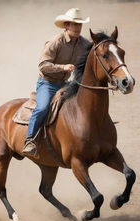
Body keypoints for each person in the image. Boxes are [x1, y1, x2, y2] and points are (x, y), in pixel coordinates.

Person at [22, 8, 90, 156]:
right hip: (47, 83)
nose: (78, 28)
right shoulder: (55, 42)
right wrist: (63, 67)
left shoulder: (84, 44)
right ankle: (30, 140)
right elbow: (43, 65)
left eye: (80, 25)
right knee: (42, 108)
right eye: (74, 24)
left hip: (66, 84)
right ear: (66, 25)